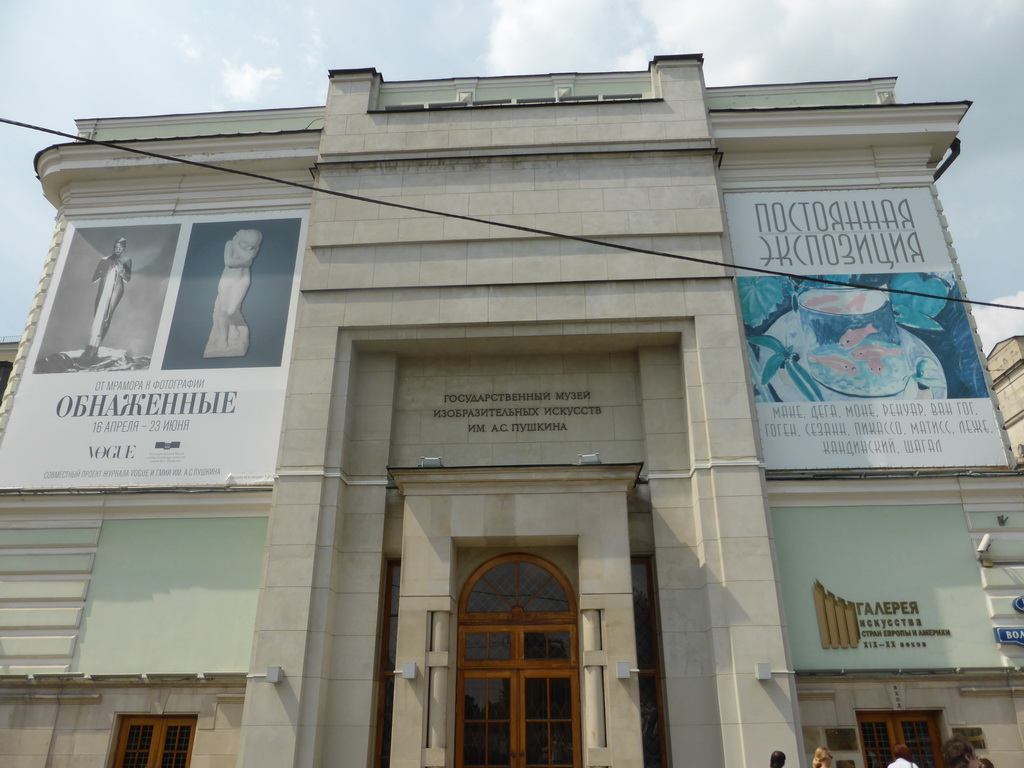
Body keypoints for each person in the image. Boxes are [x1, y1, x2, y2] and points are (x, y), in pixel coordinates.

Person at [204, 228, 262, 358]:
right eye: (247, 244)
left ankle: (232, 324)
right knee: (223, 310)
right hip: (227, 280)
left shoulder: (251, 247)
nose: (250, 247)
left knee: (231, 311)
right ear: (243, 239)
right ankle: (223, 336)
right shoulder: (229, 244)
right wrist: (244, 262)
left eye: (252, 245)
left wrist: (240, 251)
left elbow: (247, 258)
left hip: (241, 281)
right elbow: (228, 262)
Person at [81, 236, 131, 363]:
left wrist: (121, 271)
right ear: (113, 247)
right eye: (116, 247)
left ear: (124, 248)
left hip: (116, 289)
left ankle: (94, 348)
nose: (117, 249)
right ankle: (91, 347)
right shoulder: (104, 260)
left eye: (120, 247)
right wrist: (103, 271)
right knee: (98, 316)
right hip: (103, 288)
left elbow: (127, 278)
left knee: (107, 316)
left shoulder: (126, 260)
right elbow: (94, 278)